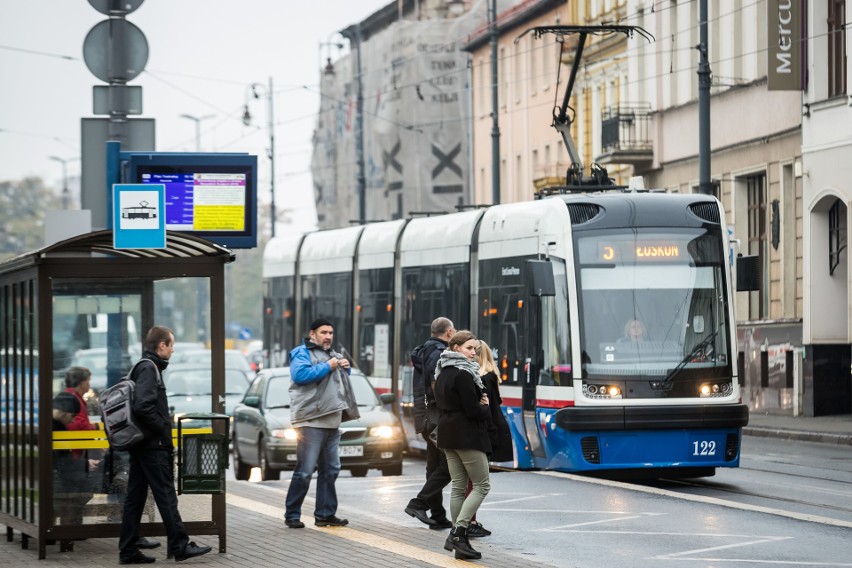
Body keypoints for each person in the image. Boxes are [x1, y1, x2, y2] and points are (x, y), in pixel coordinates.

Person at [118, 326, 211, 565]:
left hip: (142, 444)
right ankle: (180, 546)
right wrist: (162, 426)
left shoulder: (142, 366)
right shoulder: (149, 368)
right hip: (152, 445)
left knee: (135, 497)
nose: (172, 350)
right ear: (162, 346)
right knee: (166, 495)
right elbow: (143, 406)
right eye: (171, 345)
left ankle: (128, 550)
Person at [284, 318, 359, 529]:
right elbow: (300, 375)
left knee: (331, 470)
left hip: (332, 421)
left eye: (331, 333)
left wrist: (345, 367)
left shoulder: (332, 355)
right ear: (312, 334)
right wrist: (328, 366)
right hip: (310, 421)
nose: (328, 336)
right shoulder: (301, 352)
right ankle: (292, 515)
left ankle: (325, 514)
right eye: (324, 332)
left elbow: (336, 383)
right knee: (305, 470)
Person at [434, 330, 491, 561]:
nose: (474, 353)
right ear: (456, 347)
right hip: (466, 435)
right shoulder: (464, 374)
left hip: (447, 434)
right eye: (469, 348)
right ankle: (459, 532)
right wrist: (484, 405)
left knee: (458, 485)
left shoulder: (442, 371)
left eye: (475, 349)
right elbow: (473, 410)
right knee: (482, 484)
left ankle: (460, 541)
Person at [403, 317, 455, 530]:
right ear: (449, 332)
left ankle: (437, 515)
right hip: (435, 416)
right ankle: (419, 503)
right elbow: (437, 386)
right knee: (450, 465)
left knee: (434, 466)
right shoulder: (439, 353)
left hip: (424, 416)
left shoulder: (423, 350)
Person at [460, 339, 513, 540]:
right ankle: (468, 523)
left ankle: (467, 522)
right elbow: (490, 409)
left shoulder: (473, 376)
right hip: (483, 433)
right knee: (477, 483)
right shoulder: (488, 377)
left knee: (467, 482)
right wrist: (492, 434)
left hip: (471, 433)